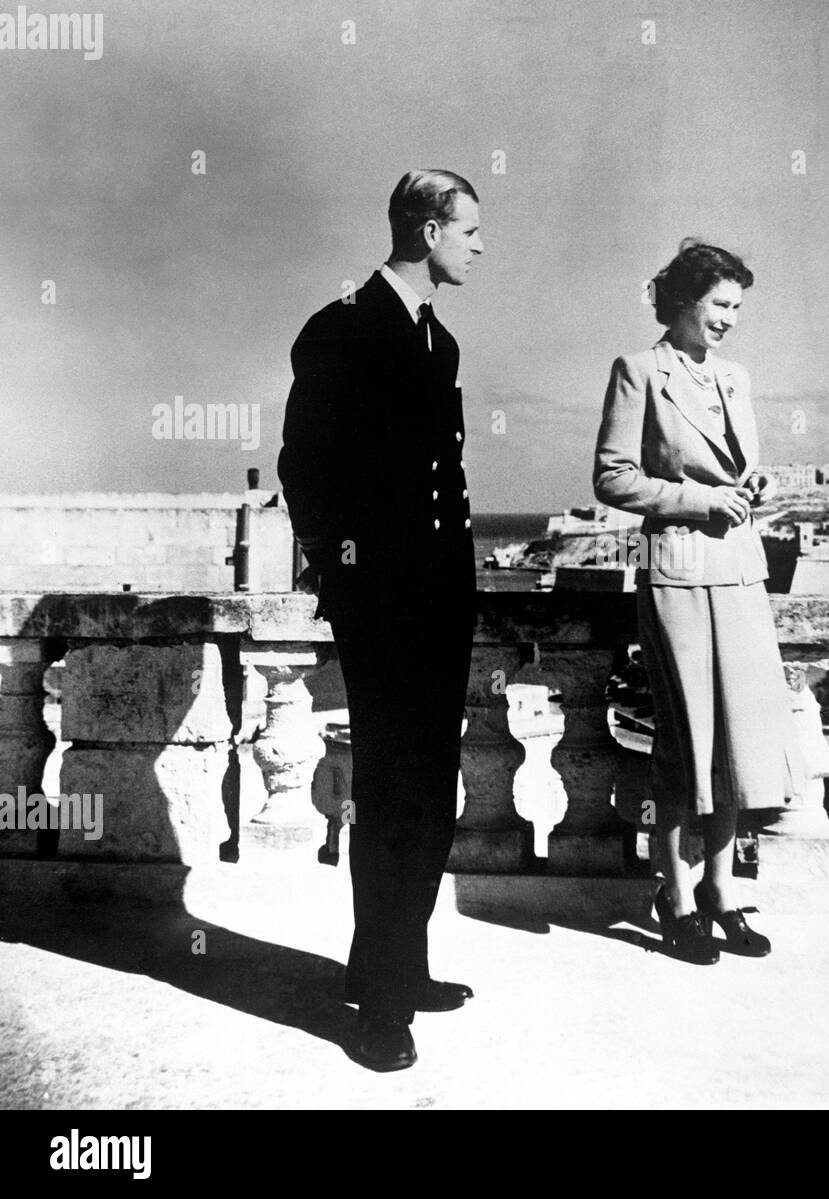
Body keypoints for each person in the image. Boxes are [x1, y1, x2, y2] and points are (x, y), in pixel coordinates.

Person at [278, 169, 484, 1070]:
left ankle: (396, 961)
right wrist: (345, 570)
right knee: (395, 793)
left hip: (438, 596)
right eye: (470, 230)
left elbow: (441, 481)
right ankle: (381, 1008)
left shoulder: (436, 340)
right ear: (429, 229)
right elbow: (306, 469)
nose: (479, 246)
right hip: (384, 604)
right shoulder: (344, 327)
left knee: (431, 789)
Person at [593, 240, 805, 965]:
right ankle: (675, 894)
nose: (730, 321)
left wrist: (754, 488)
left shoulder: (736, 378)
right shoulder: (638, 372)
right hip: (680, 571)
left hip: (741, 572)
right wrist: (700, 500)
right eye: (720, 305)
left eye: (738, 308)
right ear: (684, 301)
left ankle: (719, 889)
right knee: (687, 746)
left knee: (742, 742)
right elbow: (614, 478)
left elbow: (740, 464)